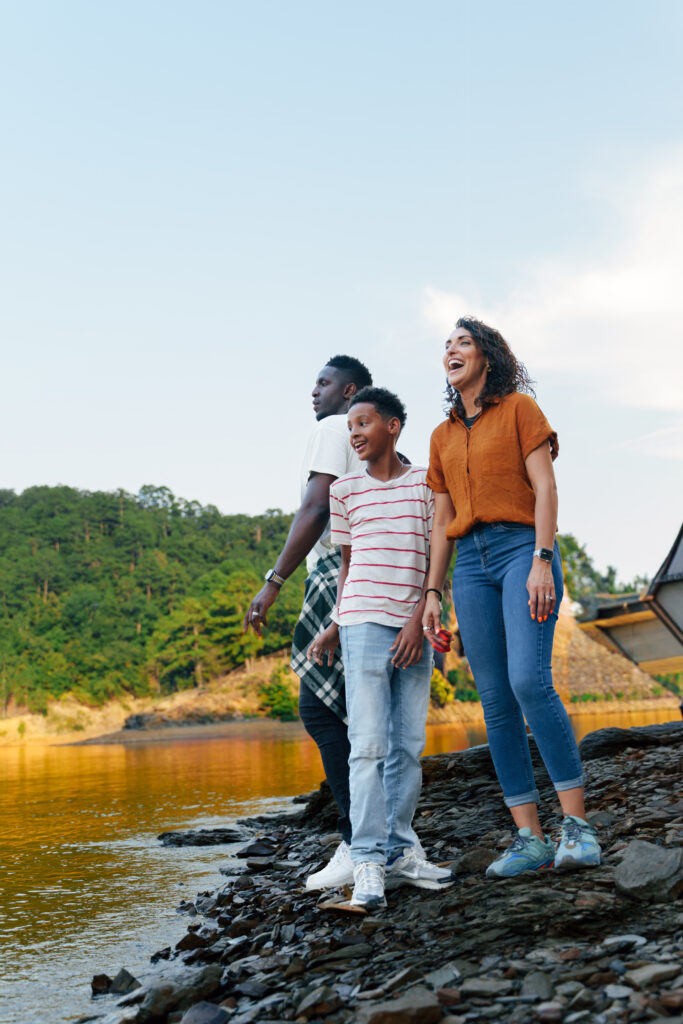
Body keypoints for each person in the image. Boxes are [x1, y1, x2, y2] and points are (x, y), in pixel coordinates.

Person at [423, 317, 601, 876]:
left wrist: (542, 559)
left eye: (464, 342)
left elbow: (545, 486)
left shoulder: (520, 409)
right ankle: (530, 838)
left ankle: (578, 828)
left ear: (488, 356)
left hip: (521, 547)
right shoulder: (441, 435)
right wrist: (433, 591)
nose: (452, 350)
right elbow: (441, 520)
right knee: (495, 701)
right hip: (470, 567)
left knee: (529, 680)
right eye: (447, 344)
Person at [309, 387, 453, 907]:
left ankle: (400, 850)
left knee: (407, 746)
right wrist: (335, 624)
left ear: (393, 426)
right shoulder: (344, 490)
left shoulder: (426, 482)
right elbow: (348, 565)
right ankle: (368, 861)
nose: (355, 433)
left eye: (364, 423)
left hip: (413, 623)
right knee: (367, 746)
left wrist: (417, 621)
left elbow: (437, 553)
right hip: (361, 623)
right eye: (351, 427)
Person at [243, 355, 372, 890]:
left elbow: (316, 509)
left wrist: (273, 581)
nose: (314, 392)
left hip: (339, 570)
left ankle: (358, 842)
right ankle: (380, 838)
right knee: (360, 712)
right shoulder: (374, 441)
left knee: (320, 709)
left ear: (350, 391)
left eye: (324, 382)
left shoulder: (332, 428)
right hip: (373, 569)